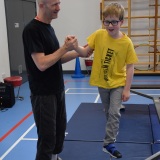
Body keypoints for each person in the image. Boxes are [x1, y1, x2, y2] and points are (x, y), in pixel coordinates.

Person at [73, 2, 138, 159]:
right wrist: (75, 46)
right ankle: (112, 133)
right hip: (102, 82)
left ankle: (109, 143)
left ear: (121, 22)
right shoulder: (98, 35)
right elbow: (85, 52)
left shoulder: (126, 42)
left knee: (114, 113)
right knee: (109, 114)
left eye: (114, 21)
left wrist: (127, 89)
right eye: (106, 21)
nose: (110, 25)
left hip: (118, 83)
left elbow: (130, 67)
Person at [22, 0, 79, 160]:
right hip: (43, 94)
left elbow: (56, 59)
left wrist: (79, 52)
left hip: (57, 89)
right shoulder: (32, 29)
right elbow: (42, 63)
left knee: (59, 132)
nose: (59, 8)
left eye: (59, 3)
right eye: (54, 4)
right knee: (47, 138)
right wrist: (64, 48)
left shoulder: (49, 28)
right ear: (41, 4)